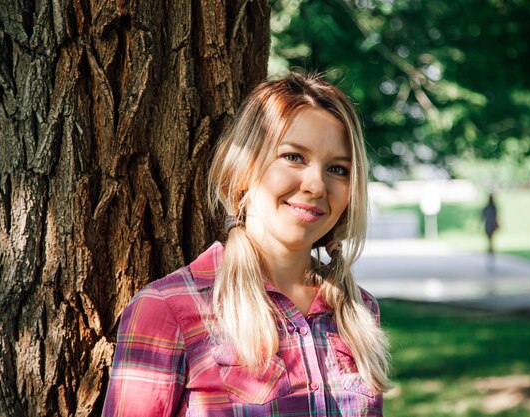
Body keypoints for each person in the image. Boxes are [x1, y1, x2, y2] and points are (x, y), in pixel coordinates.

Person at [102, 72, 390, 416]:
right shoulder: (168, 310)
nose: (316, 185)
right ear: (244, 170)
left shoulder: (357, 312)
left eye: (338, 169)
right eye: (294, 157)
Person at [481, 193, 499, 269]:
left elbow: (482, 217)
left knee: (490, 241)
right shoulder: (493, 208)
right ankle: (491, 252)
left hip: (489, 226)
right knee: (491, 241)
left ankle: (490, 252)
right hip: (491, 226)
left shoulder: (488, 208)